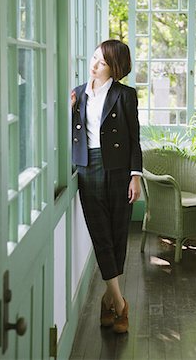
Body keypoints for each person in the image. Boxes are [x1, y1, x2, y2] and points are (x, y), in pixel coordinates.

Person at [71, 39, 142, 334]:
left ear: (114, 68)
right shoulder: (76, 94)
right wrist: (68, 110)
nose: (94, 64)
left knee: (117, 234)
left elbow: (135, 137)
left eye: (101, 62)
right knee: (101, 234)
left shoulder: (125, 95)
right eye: (94, 58)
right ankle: (120, 304)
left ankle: (106, 299)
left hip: (120, 169)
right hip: (88, 169)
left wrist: (136, 176)